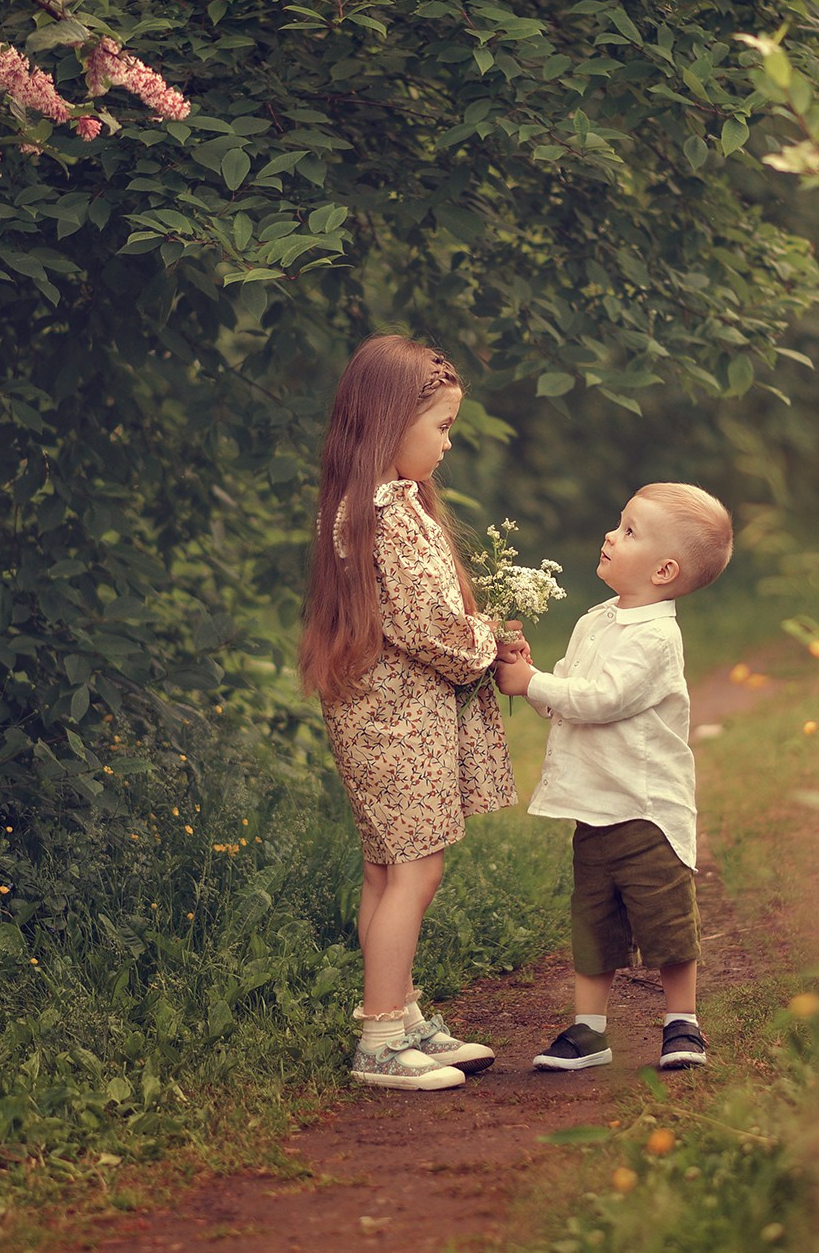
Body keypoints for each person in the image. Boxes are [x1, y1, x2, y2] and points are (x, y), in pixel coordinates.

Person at [299, 335, 517, 1090]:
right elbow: (430, 627)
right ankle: (381, 1040)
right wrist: (488, 640)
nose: (448, 444)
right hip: (397, 723)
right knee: (414, 873)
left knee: (387, 870)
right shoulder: (385, 514)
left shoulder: (374, 504)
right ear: (392, 422)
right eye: (442, 426)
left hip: (382, 717)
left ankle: (399, 1014)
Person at [494, 483, 732, 1072]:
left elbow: (602, 699)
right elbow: (567, 697)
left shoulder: (656, 637)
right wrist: (530, 674)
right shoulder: (596, 620)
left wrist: (535, 683)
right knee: (593, 919)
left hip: (646, 809)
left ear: (664, 570)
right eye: (618, 522)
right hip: (595, 806)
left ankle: (682, 1022)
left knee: (666, 919)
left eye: (629, 531)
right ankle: (589, 1031)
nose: (610, 534)